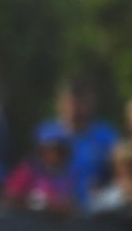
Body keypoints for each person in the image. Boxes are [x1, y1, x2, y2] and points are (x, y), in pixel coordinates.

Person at [36, 79, 116, 209]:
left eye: (80, 102)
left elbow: (118, 175)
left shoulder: (105, 136)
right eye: (69, 102)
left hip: (92, 213)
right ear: (59, 102)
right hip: (53, 214)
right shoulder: (45, 134)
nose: (74, 108)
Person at [0, 129, 79, 216]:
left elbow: (73, 203)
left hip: (56, 228)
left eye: (59, 150)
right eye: (48, 149)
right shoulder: (27, 170)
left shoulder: (68, 175)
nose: (54, 154)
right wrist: (41, 204)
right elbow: (8, 199)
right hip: (25, 226)